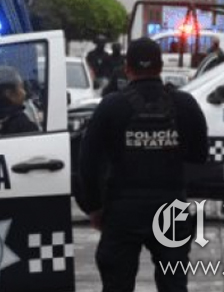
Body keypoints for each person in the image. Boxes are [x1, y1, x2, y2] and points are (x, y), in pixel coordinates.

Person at [79, 37, 209, 292]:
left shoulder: (112, 106)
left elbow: (88, 162)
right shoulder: (184, 104)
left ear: (127, 68)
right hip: (171, 206)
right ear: (161, 67)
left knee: (117, 284)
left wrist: (94, 207)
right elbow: (200, 155)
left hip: (123, 210)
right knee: (174, 284)